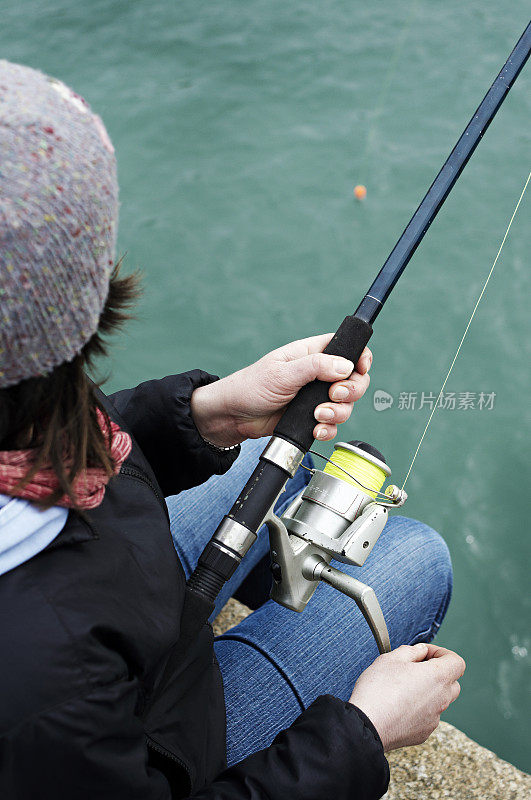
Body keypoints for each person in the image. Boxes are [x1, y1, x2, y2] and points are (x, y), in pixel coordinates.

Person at [0, 61, 465, 800]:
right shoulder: (42, 676)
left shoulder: (17, 385)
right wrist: (360, 735)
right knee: (415, 560)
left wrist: (204, 414)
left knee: (248, 446)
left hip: (112, 602)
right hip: (142, 728)